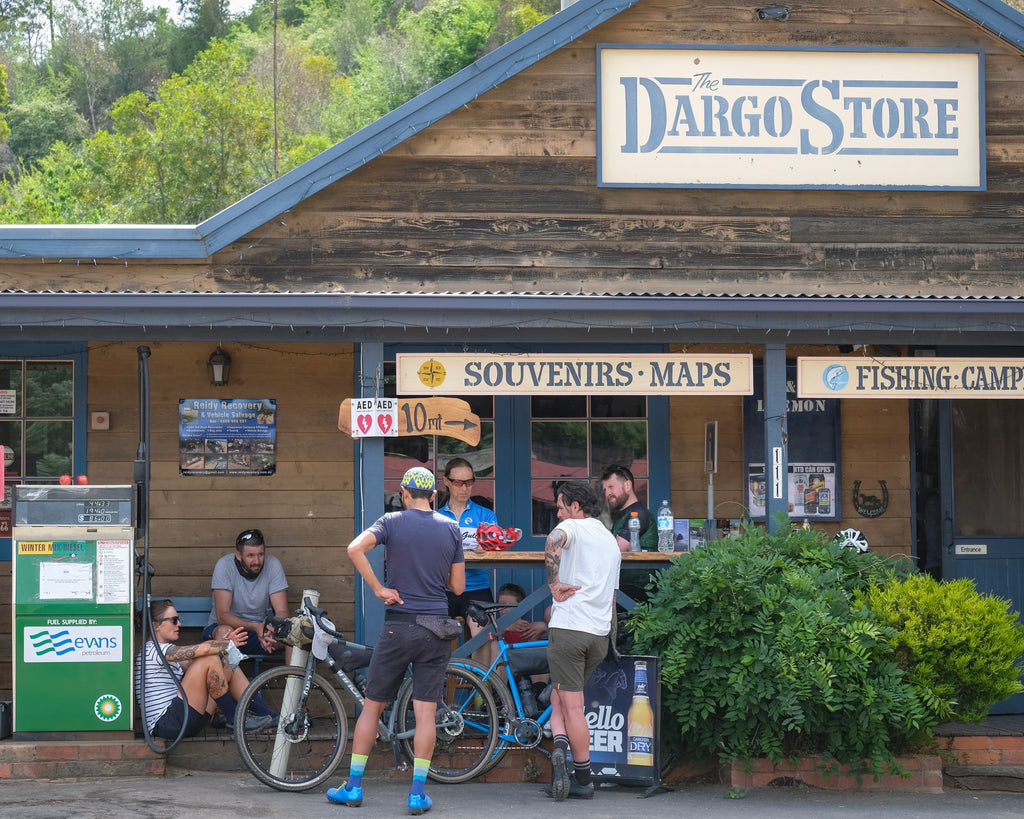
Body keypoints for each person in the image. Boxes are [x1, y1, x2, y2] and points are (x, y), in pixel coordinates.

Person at [326, 466, 464, 815]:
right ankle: (417, 793)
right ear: (434, 495)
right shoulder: (451, 528)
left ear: (404, 493)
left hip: (398, 626)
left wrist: (379, 589)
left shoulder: (391, 521)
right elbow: (459, 588)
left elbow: (354, 548)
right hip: (435, 629)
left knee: (372, 706)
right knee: (426, 713)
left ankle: (354, 787)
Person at [544, 481, 621, 801]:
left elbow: (553, 540)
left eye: (561, 507)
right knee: (559, 697)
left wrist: (554, 583)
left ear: (576, 507)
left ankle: (584, 779)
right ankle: (559, 752)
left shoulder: (572, 527)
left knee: (573, 706)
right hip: (598, 637)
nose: (559, 513)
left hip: (569, 631)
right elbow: (613, 598)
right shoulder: (611, 541)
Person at [137, 599, 275, 739]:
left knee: (225, 665)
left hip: (184, 720)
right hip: (167, 723)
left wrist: (224, 649)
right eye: (174, 620)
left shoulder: (163, 651)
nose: (180, 624)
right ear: (156, 626)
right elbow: (203, 651)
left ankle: (272, 717)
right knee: (209, 659)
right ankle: (233, 719)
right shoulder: (153, 650)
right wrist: (225, 644)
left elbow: (197, 666)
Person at [438, 457, 498, 664]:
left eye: (469, 482)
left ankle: (480, 689)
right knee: (432, 631)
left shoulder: (486, 515)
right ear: (445, 481)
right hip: (442, 588)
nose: (464, 488)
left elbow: (495, 546)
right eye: (458, 482)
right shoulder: (435, 517)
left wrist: (489, 547)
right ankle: (436, 687)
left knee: (481, 630)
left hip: (476, 587)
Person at [202, 528, 290, 661]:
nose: (257, 561)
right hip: (229, 630)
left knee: (293, 637)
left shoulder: (273, 565)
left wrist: (271, 631)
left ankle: (294, 681)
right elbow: (222, 616)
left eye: (261, 554)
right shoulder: (224, 566)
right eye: (250, 556)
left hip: (262, 633)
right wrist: (256, 627)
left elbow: (282, 611)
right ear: (238, 555)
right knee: (223, 632)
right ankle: (222, 681)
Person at [600, 464, 653, 553]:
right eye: (605, 490)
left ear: (627, 486)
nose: (607, 493)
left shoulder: (638, 514)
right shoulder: (622, 516)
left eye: (611, 487)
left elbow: (616, 550)